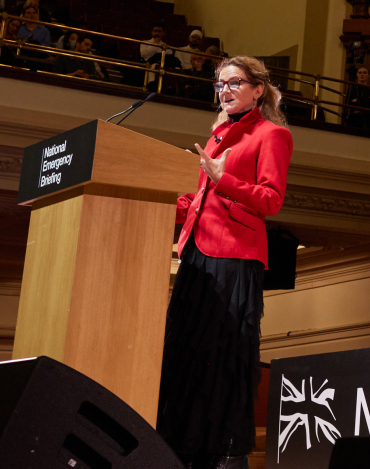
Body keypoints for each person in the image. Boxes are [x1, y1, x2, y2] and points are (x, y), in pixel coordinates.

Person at [156, 56, 293, 469]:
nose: (225, 90)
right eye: (219, 84)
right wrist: (159, 198)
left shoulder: (272, 135)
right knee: (188, 353)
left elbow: (270, 199)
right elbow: (203, 200)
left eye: (234, 82)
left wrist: (222, 178)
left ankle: (224, 451)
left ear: (258, 89)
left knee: (224, 353)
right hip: (197, 253)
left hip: (233, 257)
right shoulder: (217, 135)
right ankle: (183, 445)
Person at [344, 66, 370, 130]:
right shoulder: (352, 88)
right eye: (360, 73)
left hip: (367, 118)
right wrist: (365, 100)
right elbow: (348, 103)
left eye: (364, 73)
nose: (362, 74)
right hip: (354, 116)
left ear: (368, 76)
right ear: (357, 75)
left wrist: (357, 100)